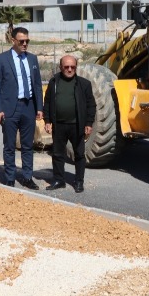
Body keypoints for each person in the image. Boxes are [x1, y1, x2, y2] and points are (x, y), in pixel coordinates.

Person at [0, 27, 43, 189]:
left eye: (27, 41)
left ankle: (27, 177)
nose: (25, 44)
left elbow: (37, 85)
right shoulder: (1, 60)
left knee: (28, 145)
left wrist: (39, 107)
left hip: (28, 106)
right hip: (9, 108)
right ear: (13, 41)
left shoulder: (32, 59)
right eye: (21, 41)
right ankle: (10, 177)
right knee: (10, 145)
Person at [42, 55, 96, 193]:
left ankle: (79, 182)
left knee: (79, 154)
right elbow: (47, 102)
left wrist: (89, 123)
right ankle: (59, 180)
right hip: (59, 125)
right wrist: (47, 121)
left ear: (76, 67)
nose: (70, 69)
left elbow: (91, 105)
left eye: (72, 67)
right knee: (58, 154)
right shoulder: (54, 82)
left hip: (77, 125)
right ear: (61, 67)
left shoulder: (84, 84)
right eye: (66, 67)